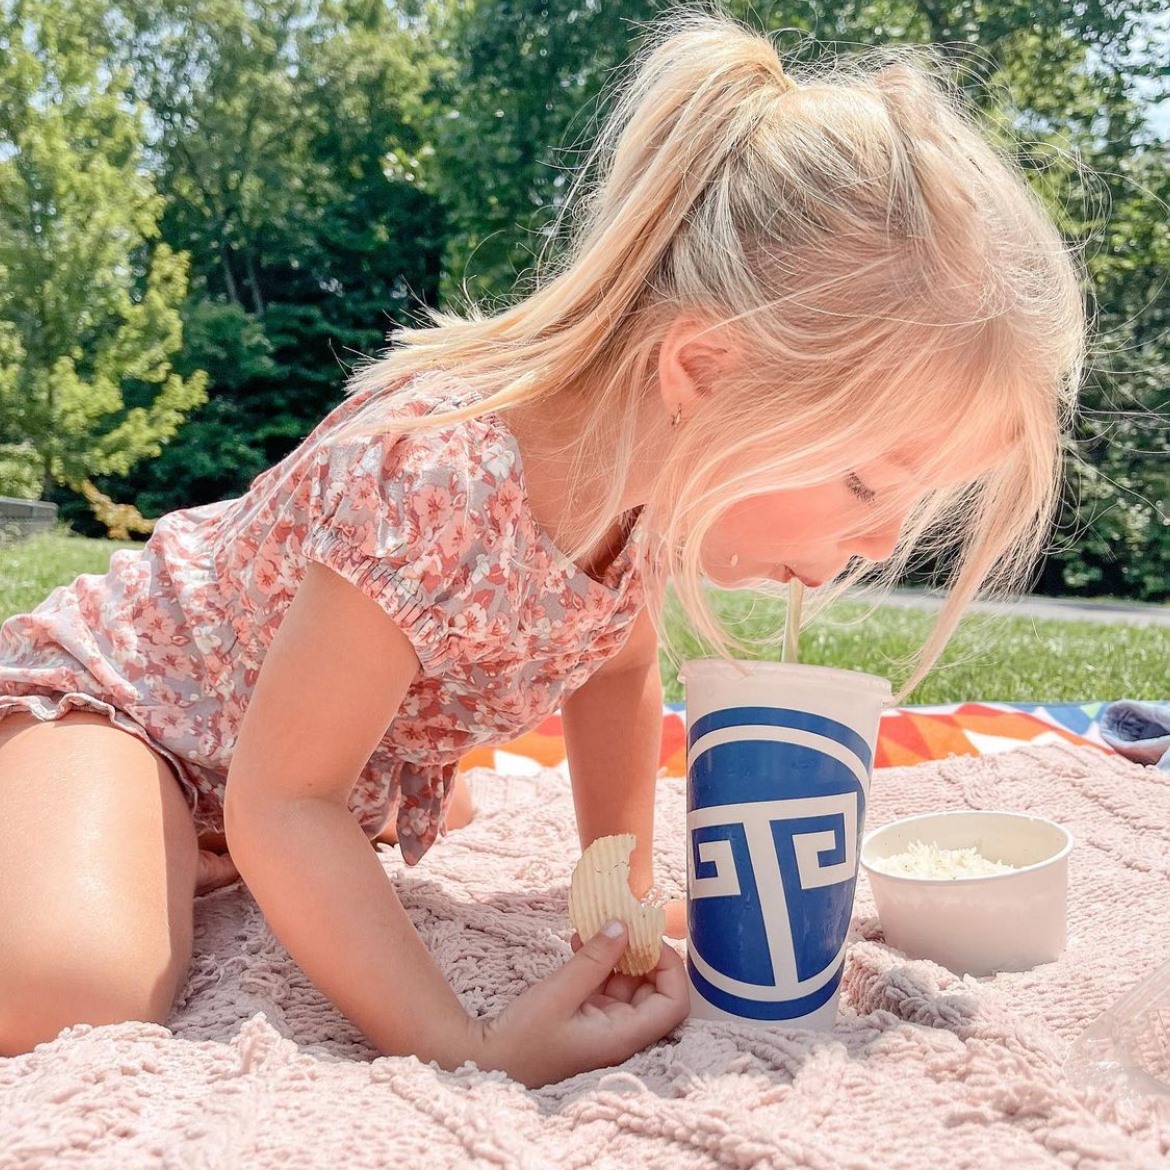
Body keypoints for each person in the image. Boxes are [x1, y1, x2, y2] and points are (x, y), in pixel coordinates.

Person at [0, 10, 1085, 1086]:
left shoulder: (648, 487)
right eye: (864, 482)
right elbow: (285, 801)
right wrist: (461, 1044)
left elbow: (616, 669)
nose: (884, 538)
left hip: (284, 757)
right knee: (75, 989)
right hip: (136, 709)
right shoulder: (436, 478)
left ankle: (175, 849)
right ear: (702, 372)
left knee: (386, 818)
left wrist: (618, 889)